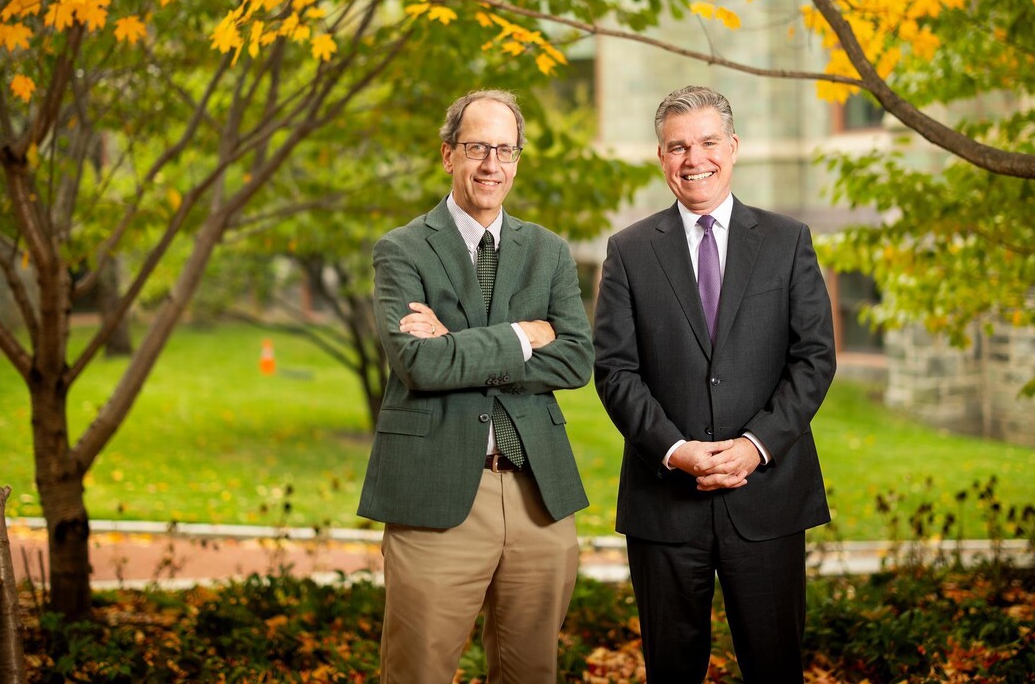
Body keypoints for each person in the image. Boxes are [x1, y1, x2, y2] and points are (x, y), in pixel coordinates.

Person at [592, 85, 837, 683]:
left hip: (768, 498)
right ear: (660, 157)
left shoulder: (787, 240)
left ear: (733, 147)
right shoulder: (628, 252)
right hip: (664, 504)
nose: (693, 158)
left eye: (706, 142)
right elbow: (615, 369)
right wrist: (675, 450)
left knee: (775, 669)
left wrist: (754, 447)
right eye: (678, 146)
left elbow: (814, 358)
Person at [357, 89, 593, 683]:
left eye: (505, 150)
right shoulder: (402, 249)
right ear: (448, 154)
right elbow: (421, 365)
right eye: (477, 147)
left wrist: (456, 341)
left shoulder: (548, 251)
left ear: (518, 159)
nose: (492, 164)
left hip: (539, 496)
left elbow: (576, 363)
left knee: (531, 672)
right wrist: (524, 334)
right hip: (437, 495)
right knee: (420, 671)